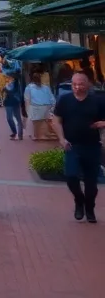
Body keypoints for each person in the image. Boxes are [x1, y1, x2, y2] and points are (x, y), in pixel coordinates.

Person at [51, 71, 105, 223]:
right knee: (71, 176)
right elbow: (57, 121)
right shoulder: (64, 100)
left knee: (91, 182)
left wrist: (102, 123)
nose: (77, 87)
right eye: (74, 84)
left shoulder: (98, 101)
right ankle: (79, 200)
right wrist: (61, 139)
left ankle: (89, 208)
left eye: (80, 84)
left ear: (88, 84)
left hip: (92, 146)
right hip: (72, 146)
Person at [24, 73, 56, 140]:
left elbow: (27, 99)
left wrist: (28, 110)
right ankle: (42, 135)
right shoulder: (45, 87)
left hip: (36, 107)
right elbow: (52, 98)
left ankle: (37, 135)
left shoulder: (29, 88)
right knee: (43, 121)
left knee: (36, 123)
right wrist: (52, 106)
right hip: (46, 107)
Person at [2, 68, 25, 140]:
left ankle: (16, 133)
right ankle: (18, 134)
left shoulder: (16, 83)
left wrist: (5, 89)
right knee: (17, 118)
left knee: (10, 118)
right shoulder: (17, 82)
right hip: (14, 101)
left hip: (11, 101)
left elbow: (11, 92)